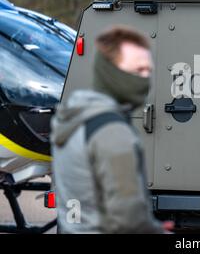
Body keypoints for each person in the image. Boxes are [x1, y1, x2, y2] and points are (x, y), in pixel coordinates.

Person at [51, 26, 171, 234]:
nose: (145, 79)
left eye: (148, 71)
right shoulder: (112, 131)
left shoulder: (75, 117)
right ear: (110, 72)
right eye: (137, 70)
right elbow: (129, 220)